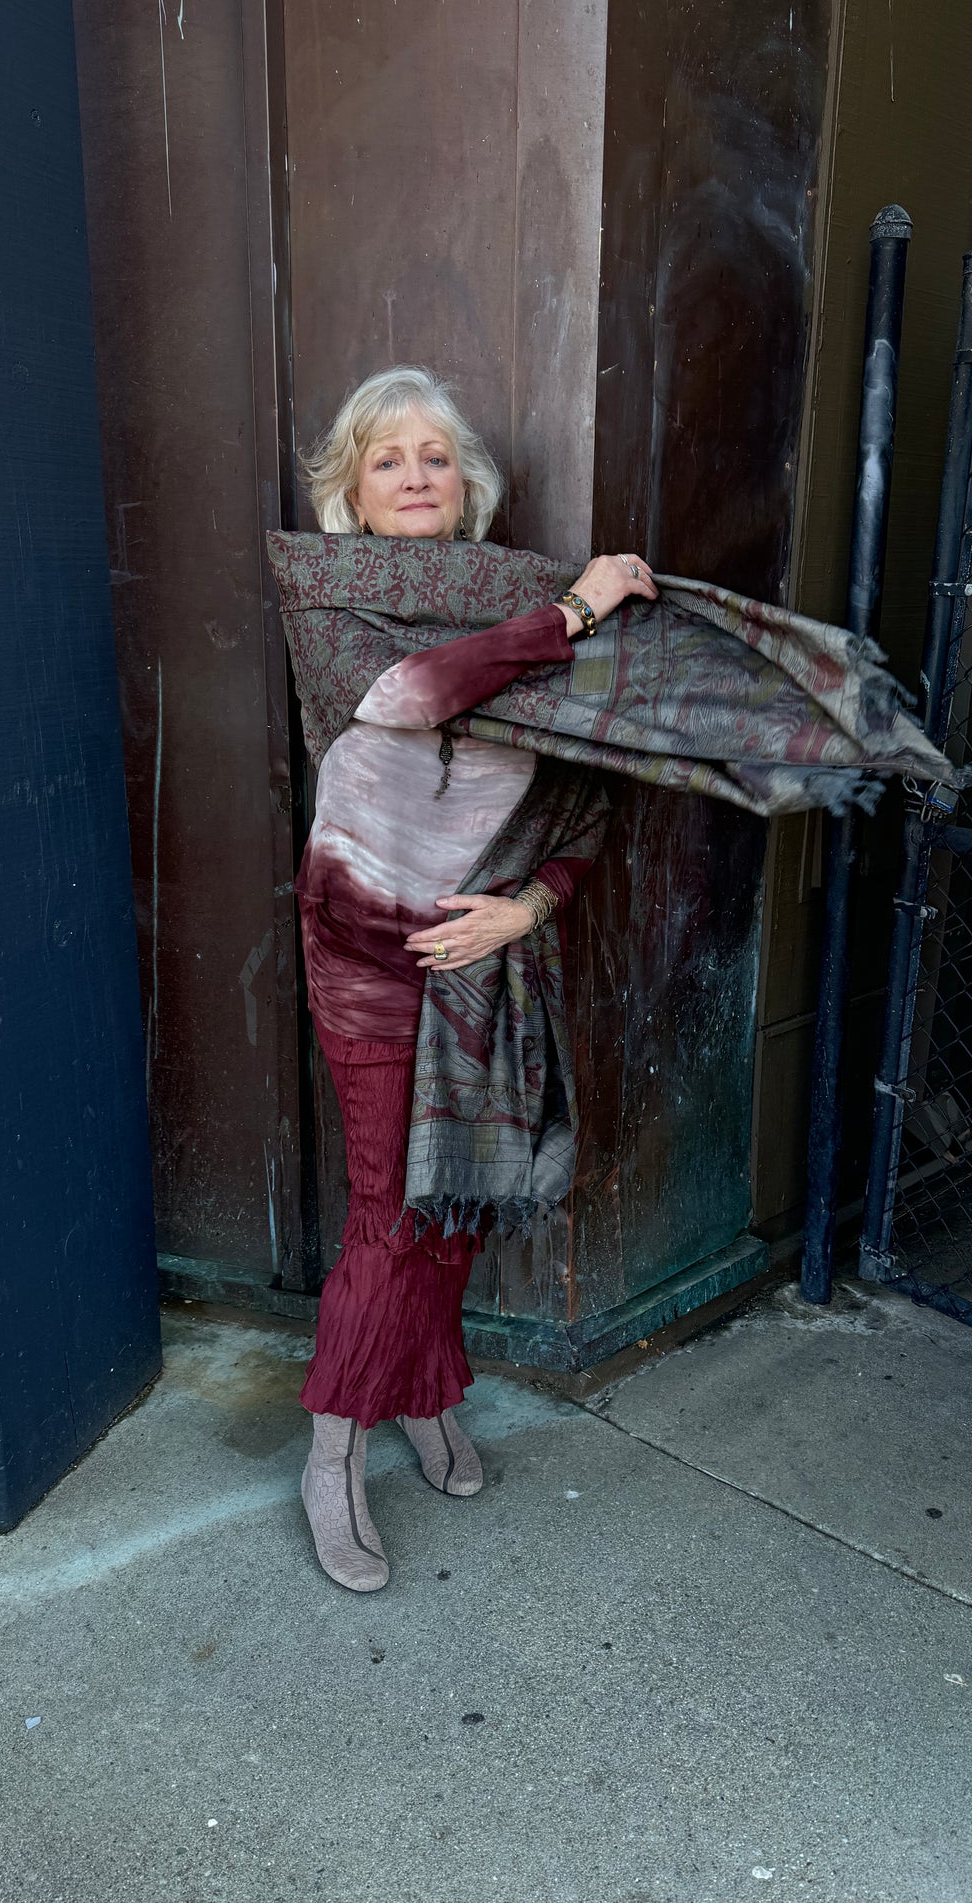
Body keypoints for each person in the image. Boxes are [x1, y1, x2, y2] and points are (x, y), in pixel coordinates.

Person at [293, 366, 655, 1592]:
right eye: (386, 457)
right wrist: (571, 617)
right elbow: (402, 697)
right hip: (363, 945)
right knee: (393, 1208)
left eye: (434, 458)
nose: (412, 476)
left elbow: (588, 800)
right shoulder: (330, 593)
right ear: (350, 486)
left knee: (455, 1205)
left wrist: (525, 905)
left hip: (483, 949)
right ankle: (332, 1450)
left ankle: (426, 1394)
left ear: (465, 488)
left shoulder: (516, 597)